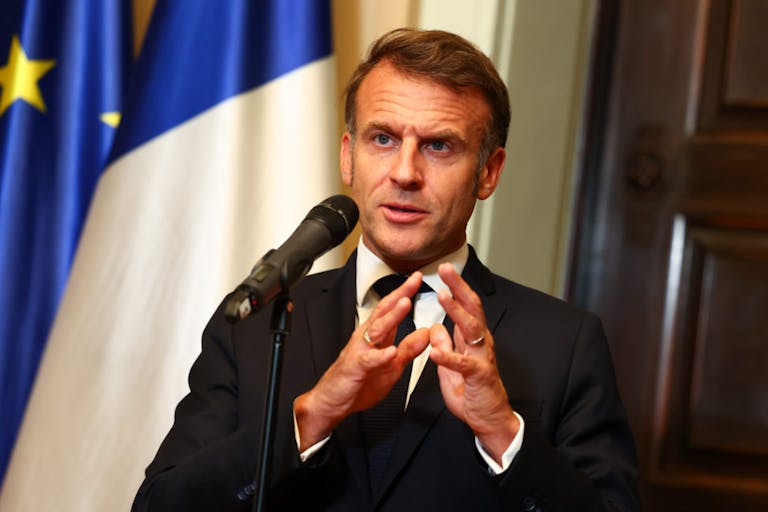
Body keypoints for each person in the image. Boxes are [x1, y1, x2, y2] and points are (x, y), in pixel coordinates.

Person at [132, 28, 639, 511]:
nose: (404, 173)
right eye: (383, 139)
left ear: (488, 172)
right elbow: (159, 506)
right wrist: (311, 417)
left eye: (439, 146)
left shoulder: (565, 344)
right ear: (348, 157)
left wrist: (503, 433)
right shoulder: (257, 324)